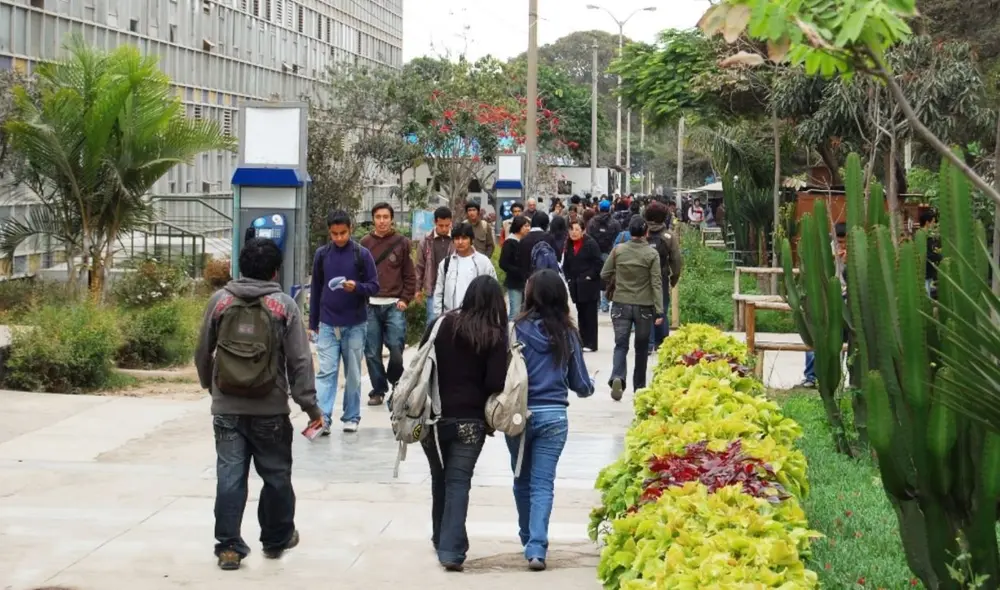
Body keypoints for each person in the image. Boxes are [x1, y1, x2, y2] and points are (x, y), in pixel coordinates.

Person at [195, 237, 323, 571]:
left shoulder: (219, 302)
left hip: (227, 409)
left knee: (230, 477)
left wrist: (214, 388)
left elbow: (202, 353)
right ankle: (276, 538)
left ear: (241, 266)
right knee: (277, 476)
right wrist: (310, 407)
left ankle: (228, 547)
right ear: (274, 270)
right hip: (270, 409)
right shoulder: (283, 306)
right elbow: (299, 362)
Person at [419, 276, 509, 572]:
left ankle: (440, 535)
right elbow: (495, 382)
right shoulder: (494, 334)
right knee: (458, 482)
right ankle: (451, 550)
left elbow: (421, 363)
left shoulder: (440, 324)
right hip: (470, 422)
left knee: (439, 477)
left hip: (433, 418)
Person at [509, 269, 594, 571]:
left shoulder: (515, 329)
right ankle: (537, 547)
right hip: (554, 416)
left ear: (530, 295)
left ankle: (526, 537)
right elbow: (581, 384)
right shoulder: (567, 333)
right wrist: (590, 386)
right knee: (542, 483)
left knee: (521, 479)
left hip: (518, 415)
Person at [309, 210, 380, 433]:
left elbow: (374, 285)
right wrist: (313, 324)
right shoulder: (321, 255)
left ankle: (351, 416)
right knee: (326, 372)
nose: (339, 238)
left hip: (355, 324)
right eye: (334, 234)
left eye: (343, 233)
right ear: (329, 233)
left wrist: (356, 287)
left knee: (352, 374)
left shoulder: (362, 254)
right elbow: (316, 289)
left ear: (351, 229)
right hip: (328, 324)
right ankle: (323, 419)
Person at [601, 216, 663, 401]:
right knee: (642, 347)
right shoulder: (652, 254)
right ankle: (639, 387)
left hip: (620, 303)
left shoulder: (618, 250)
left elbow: (604, 273)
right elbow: (656, 283)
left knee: (621, 344)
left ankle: (618, 377)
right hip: (644, 306)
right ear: (646, 233)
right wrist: (659, 310)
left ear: (629, 232)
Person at [360, 202, 416, 407]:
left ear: (391, 219)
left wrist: (405, 299)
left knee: (396, 348)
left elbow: (409, 274)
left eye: (386, 217)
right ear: (373, 219)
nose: (382, 221)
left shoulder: (401, 242)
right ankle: (378, 389)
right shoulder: (364, 243)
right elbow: (359, 273)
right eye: (378, 217)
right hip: (371, 305)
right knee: (372, 352)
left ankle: (397, 383)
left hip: (394, 305)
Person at [434, 222, 498, 316]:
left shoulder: (483, 262)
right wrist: (439, 317)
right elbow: (439, 293)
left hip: (477, 319)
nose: (460, 242)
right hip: (451, 318)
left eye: (464, 238)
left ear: (471, 240)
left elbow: (493, 291)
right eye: (456, 239)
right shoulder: (446, 264)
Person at [645, 201, 683, 350]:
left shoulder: (643, 233)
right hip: (661, 277)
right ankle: (662, 343)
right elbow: (676, 260)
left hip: (643, 279)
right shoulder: (669, 236)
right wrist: (674, 279)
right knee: (662, 309)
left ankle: (648, 342)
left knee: (646, 310)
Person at [563, 220, 603, 352]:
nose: (573, 232)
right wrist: (568, 278)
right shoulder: (568, 245)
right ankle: (583, 341)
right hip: (576, 285)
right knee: (581, 313)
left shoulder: (590, 244)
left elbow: (598, 263)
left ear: (583, 230)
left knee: (590, 314)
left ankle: (591, 343)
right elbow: (566, 264)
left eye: (576, 229)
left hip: (589, 285)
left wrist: (590, 276)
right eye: (571, 229)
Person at [415, 206, 455, 326]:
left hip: (453, 288)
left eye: (447, 225)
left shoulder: (457, 239)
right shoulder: (426, 241)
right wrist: (417, 289)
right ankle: (431, 345)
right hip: (433, 289)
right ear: (435, 222)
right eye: (441, 225)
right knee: (432, 322)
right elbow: (419, 267)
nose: (444, 229)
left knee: (452, 321)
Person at [587, 199, 621, 313]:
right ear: (610, 208)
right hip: (609, 253)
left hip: (594, 254)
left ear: (599, 208)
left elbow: (588, 237)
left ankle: (595, 303)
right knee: (608, 278)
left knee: (595, 277)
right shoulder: (615, 223)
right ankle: (605, 304)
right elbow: (618, 238)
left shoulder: (592, 222)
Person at [499, 215, 531, 317]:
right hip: (514, 283)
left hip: (525, 282)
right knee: (515, 312)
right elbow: (503, 263)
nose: (528, 228)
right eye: (525, 226)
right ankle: (511, 332)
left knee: (524, 312)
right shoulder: (509, 242)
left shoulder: (524, 241)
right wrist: (519, 271)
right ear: (518, 227)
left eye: (528, 226)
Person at [517, 211, 558, 282]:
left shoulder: (523, 240)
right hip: (547, 280)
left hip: (529, 280)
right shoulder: (549, 238)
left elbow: (519, 261)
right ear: (546, 224)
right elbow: (557, 256)